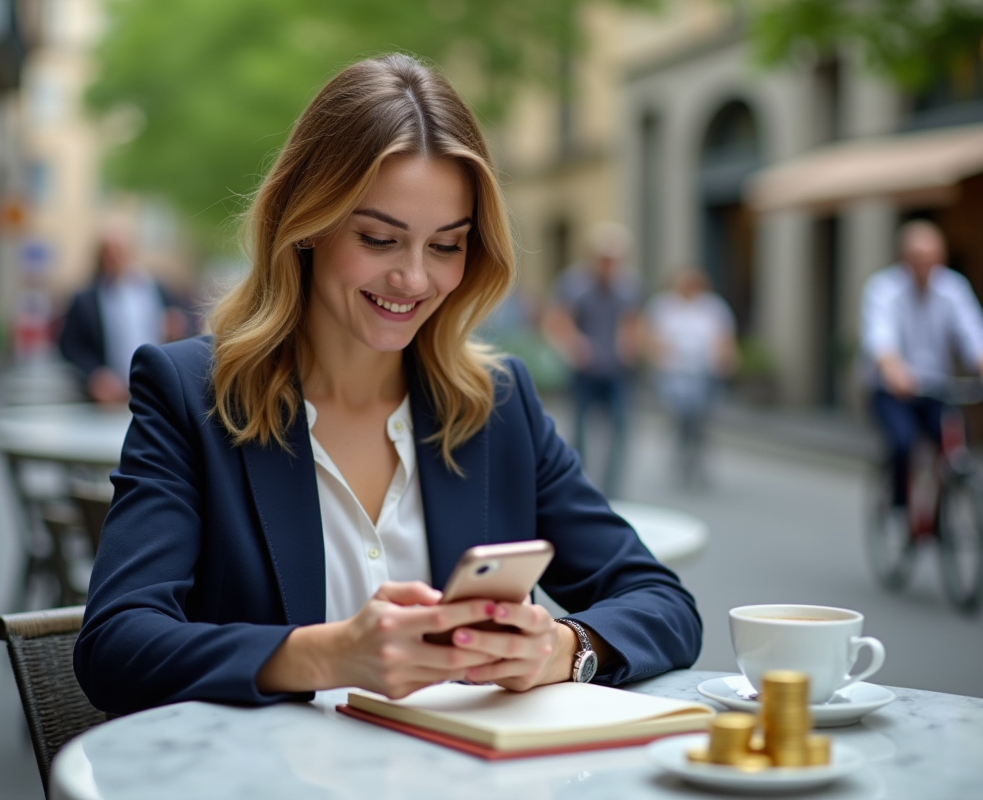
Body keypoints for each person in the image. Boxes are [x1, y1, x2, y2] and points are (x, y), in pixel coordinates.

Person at [74, 54, 701, 715]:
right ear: (307, 224)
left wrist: (564, 648)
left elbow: (664, 604)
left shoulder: (497, 404)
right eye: (379, 238)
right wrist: (331, 653)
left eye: (446, 245)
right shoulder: (191, 395)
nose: (414, 279)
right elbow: (115, 647)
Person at [860, 219, 983, 511]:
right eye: (919, 259)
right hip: (895, 391)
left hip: (937, 389)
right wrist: (894, 370)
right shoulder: (883, 289)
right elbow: (879, 338)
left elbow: (975, 334)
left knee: (957, 445)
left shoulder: (953, 288)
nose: (926, 267)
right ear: (903, 259)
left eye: (933, 259)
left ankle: (943, 511)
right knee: (902, 443)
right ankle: (900, 507)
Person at [542, 222, 640, 495]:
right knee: (581, 431)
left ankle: (613, 492)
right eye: (605, 258)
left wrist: (631, 344)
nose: (609, 264)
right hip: (584, 370)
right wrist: (575, 344)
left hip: (617, 369)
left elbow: (632, 320)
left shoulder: (628, 284)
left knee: (620, 429)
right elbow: (558, 320)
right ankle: (579, 487)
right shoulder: (574, 283)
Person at [57, 231, 192, 404]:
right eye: (108, 252)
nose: (114, 257)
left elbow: (186, 322)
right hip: (106, 399)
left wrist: (179, 326)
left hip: (157, 391)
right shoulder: (85, 300)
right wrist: (94, 375)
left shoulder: (158, 290)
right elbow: (69, 345)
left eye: (119, 251)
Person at [643, 267, 737, 488]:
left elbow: (724, 338)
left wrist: (724, 359)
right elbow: (652, 337)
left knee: (701, 418)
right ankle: (682, 453)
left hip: (704, 373)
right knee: (682, 414)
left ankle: (696, 458)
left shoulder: (713, 307)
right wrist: (659, 359)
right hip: (674, 374)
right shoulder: (663, 306)